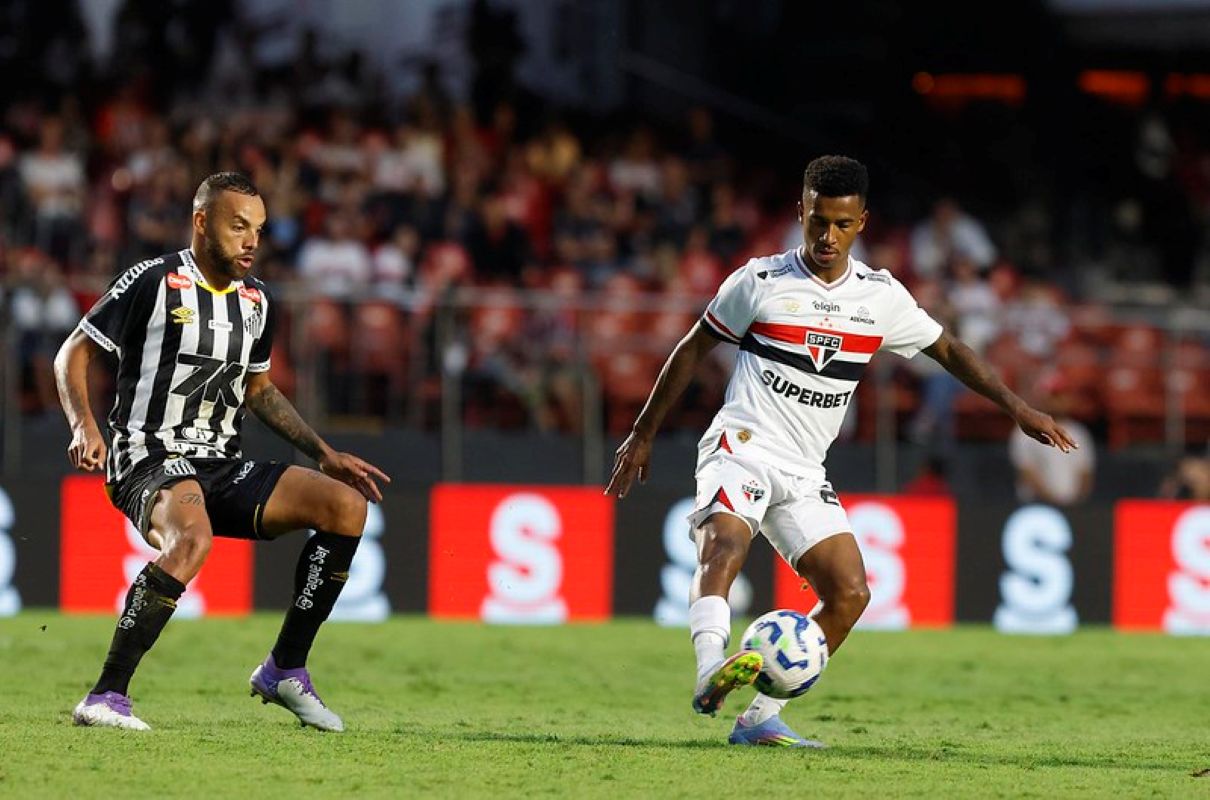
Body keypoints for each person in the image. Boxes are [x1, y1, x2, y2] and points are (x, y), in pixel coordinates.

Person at [605, 156, 1076, 748]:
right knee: (724, 543)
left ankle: (756, 721)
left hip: (804, 469)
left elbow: (949, 350)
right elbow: (692, 348)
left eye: (842, 224)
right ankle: (708, 674)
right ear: (801, 212)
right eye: (818, 221)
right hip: (743, 443)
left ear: (862, 223)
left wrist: (1017, 407)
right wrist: (644, 432)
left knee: (851, 594)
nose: (827, 236)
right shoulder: (760, 282)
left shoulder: (880, 298)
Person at [54, 172, 391, 732]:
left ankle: (285, 669)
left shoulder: (258, 302)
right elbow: (74, 351)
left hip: (221, 461)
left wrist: (323, 453)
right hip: (148, 455)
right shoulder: (154, 280)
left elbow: (259, 391)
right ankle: (105, 696)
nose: (251, 241)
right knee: (192, 539)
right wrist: (84, 425)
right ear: (202, 221)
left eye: (257, 229)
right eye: (238, 226)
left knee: (345, 508)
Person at [1009, 372, 1095, 507]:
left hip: (1073, 506)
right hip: (1035, 505)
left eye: (1063, 395)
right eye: (1055, 396)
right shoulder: (1025, 430)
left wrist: (1076, 503)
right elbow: (1026, 471)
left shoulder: (1079, 432)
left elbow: (1085, 473)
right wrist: (1051, 500)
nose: (1060, 400)